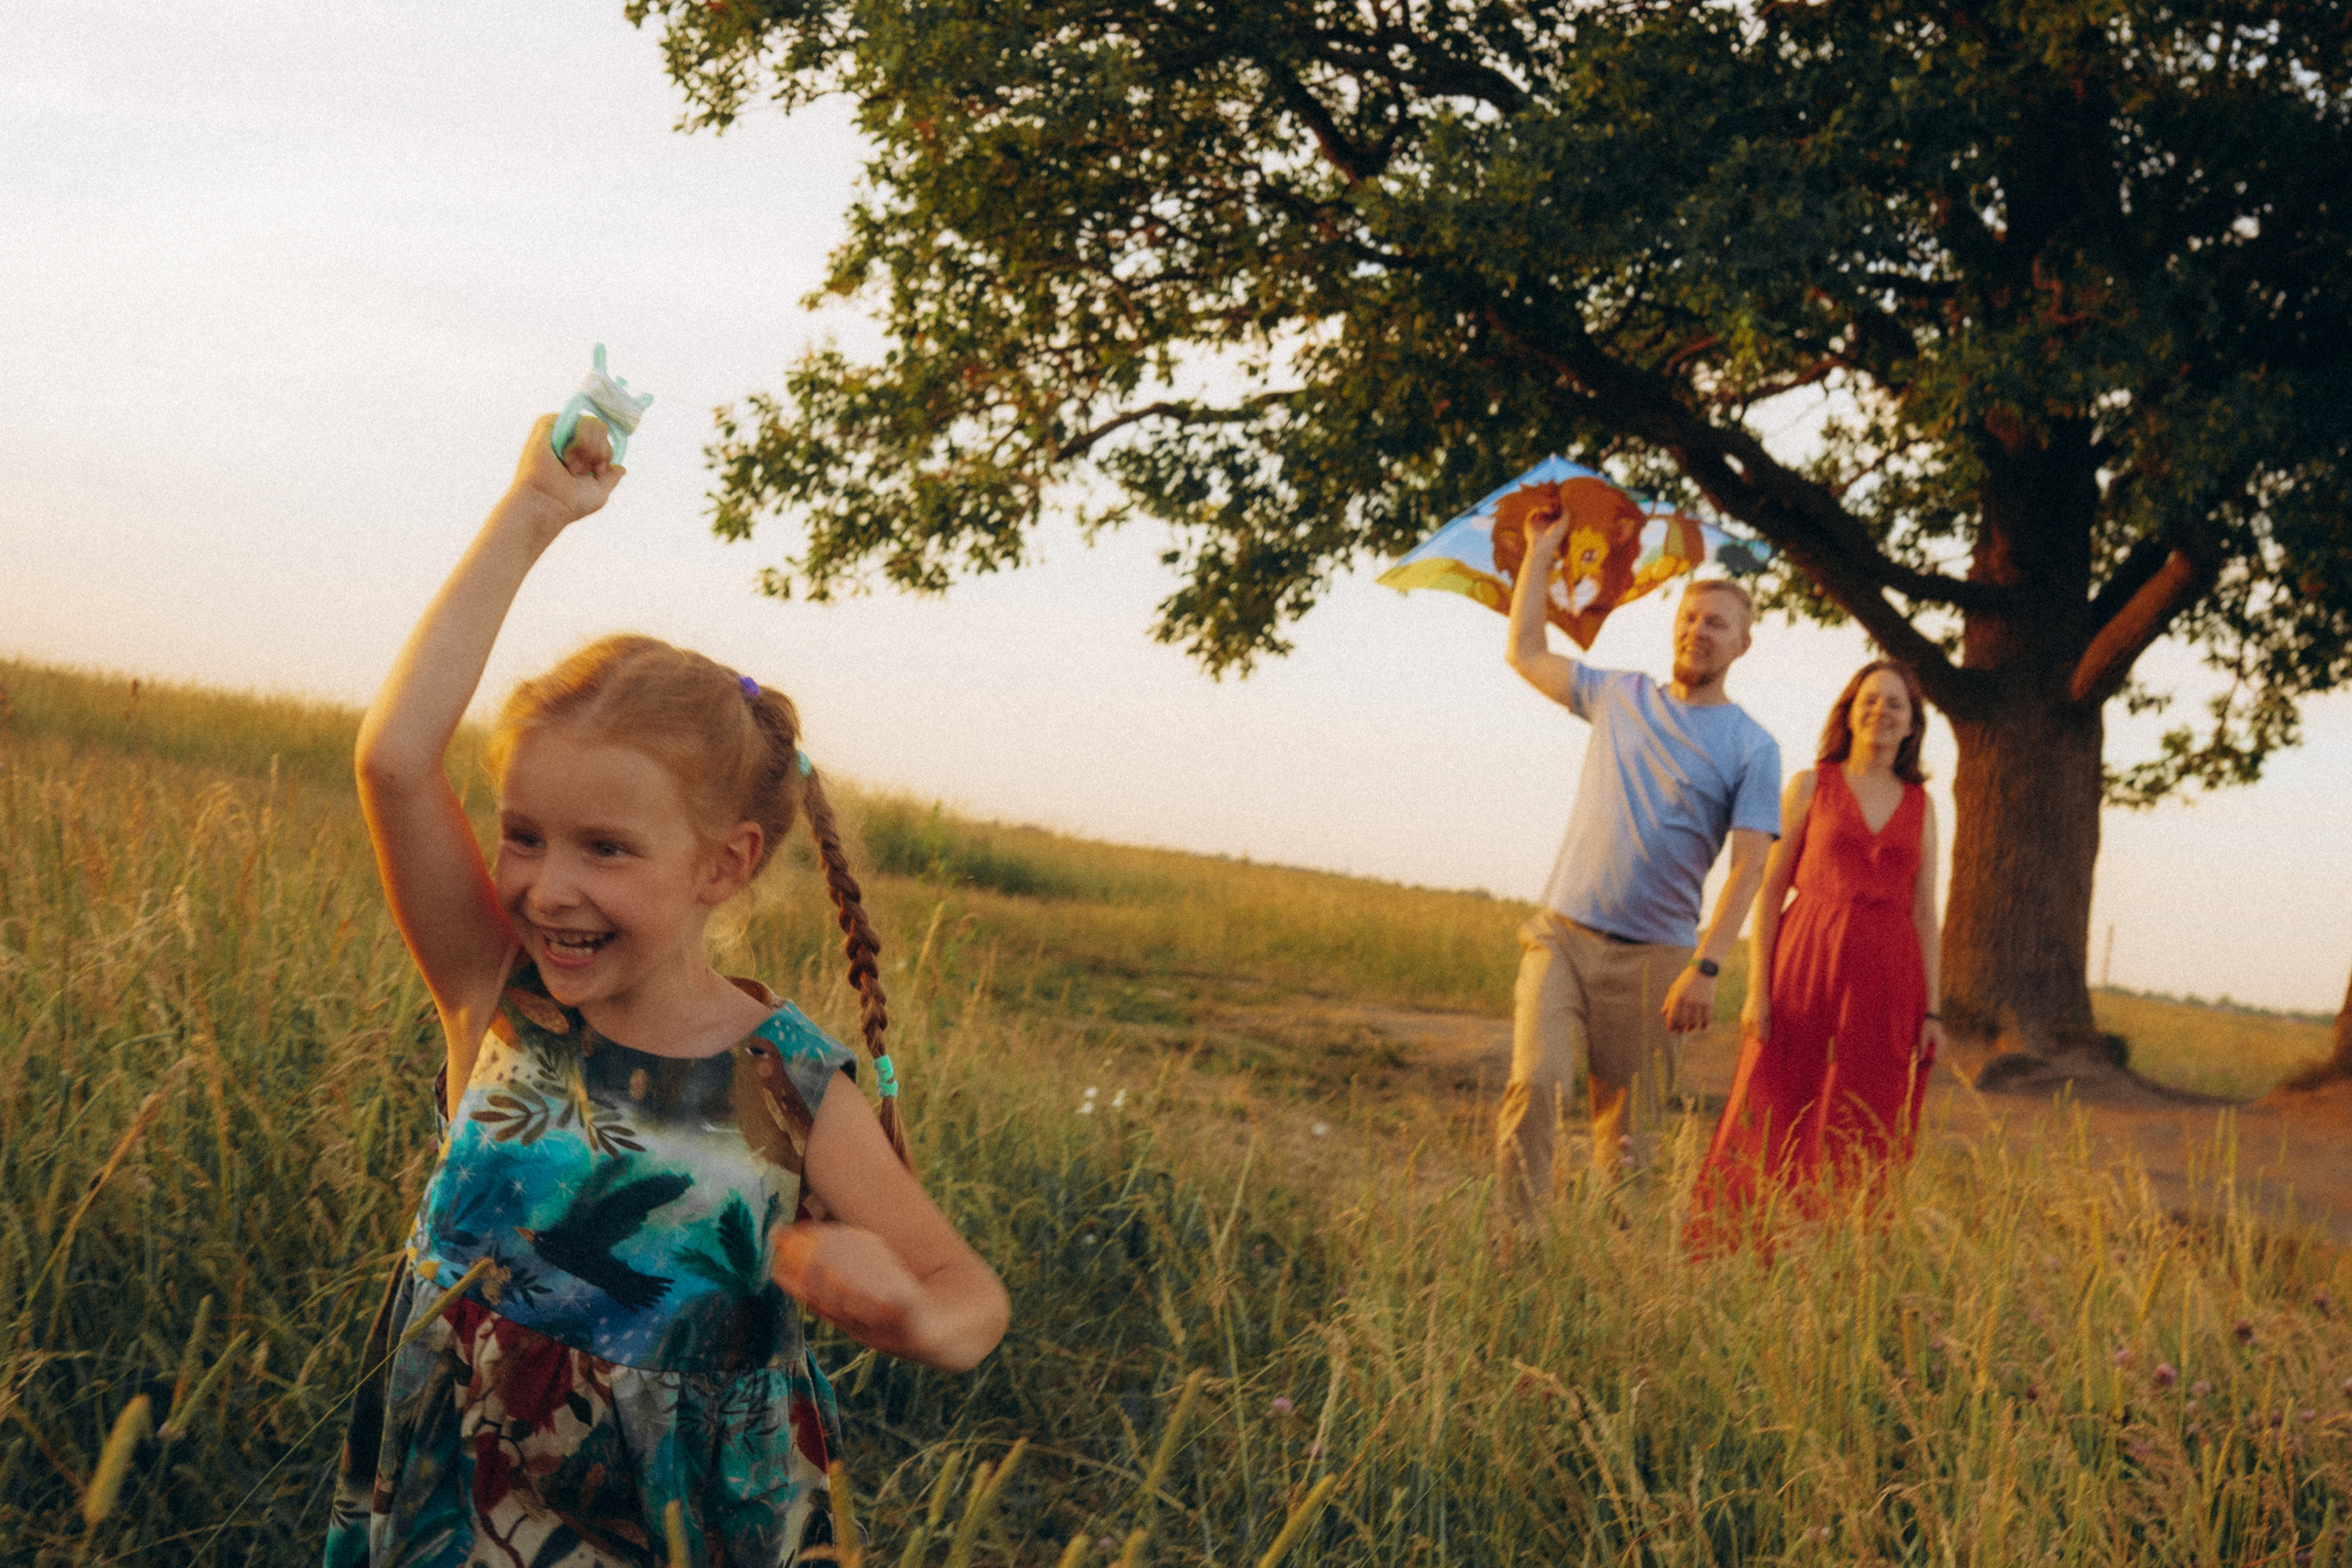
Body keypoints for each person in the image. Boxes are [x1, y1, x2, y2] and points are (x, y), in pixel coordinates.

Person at [324, 413, 1008, 1567]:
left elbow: (967, 1291)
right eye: (525, 835)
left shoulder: (785, 1084)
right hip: (453, 1499)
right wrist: (533, 513)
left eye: (606, 849)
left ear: (723, 866)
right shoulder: (496, 994)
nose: (548, 888)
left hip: (677, 1523)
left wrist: (914, 1314)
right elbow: (393, 760)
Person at [1496, 505, 1781, 1216]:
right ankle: (1515, 1251)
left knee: (1626, 1141)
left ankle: (1611, 1260)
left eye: (1716, 624)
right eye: (1690, 618)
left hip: (1658, 961)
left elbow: (1749, 867)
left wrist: (1707, 968)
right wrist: (1540, 551)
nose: (1698, 631)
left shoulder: (1754, 746)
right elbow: (1526, 652)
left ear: (1743, 644)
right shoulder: (1619, 694)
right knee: (1536, 1080)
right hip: (1563, 935)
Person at [1687, 660, 1946, 1246]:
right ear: (1849, 712)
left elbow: (1925, 912)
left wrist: (1932, 1009)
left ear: (1912, 725)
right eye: (1870, 700)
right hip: (1805, 960)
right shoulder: (1810, 786)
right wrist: (1757, 992)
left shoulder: (1922, 806)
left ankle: (1840, 1250)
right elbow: (1771, 889)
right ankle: (1734, 1242)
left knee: (1865, 1110)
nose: (1881, 712)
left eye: (1896, 704)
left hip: (1888, 977)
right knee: (1773, 1100)